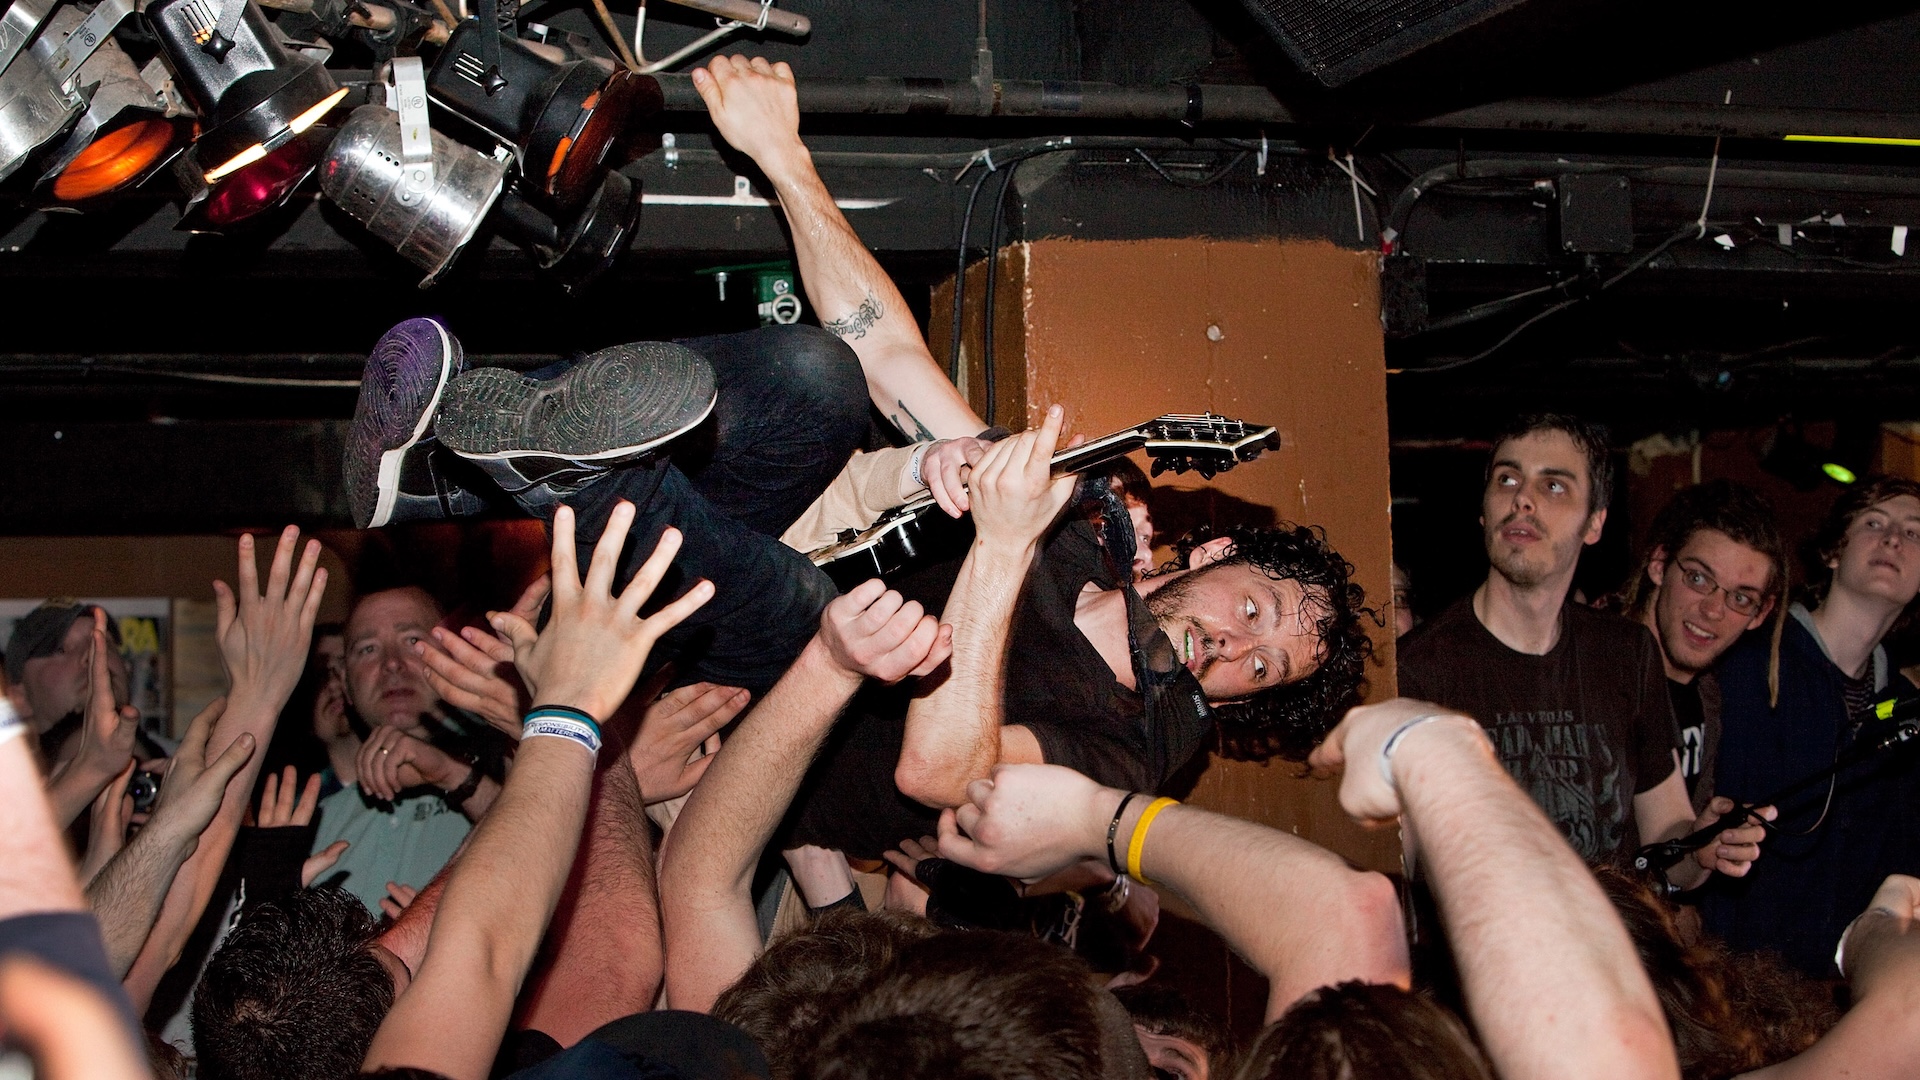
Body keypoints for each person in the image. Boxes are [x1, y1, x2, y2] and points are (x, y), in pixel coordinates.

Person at [1396, 414, 1764, 889]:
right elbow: (1397, 875)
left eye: (1554, 487)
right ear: (1485, 510)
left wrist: (1703, 843)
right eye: (1507, 479)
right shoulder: (1419, 669)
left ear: (1594, 523)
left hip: (1604, 953)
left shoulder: (1627, 652)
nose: (1522, 498)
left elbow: (1668, 842)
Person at [1703, 476, 1920, 976]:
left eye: (1913, 533)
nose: (1893, 539)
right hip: (1739, 983)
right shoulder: (1751, 665)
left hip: (1840, 993)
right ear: (1832, 552)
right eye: (1874, 523)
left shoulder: (1903, 708)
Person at [308, 586, 500, 913]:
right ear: (345, 682)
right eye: (368, 649)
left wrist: (453, 776)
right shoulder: (316, 821)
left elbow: (550, 848)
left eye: (412, 640)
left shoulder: (515, 757)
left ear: (455, 654)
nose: (392, 664)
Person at [1620, 480, 1785, 811]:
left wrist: (1705, 845)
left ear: (1760, 613)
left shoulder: (1710, 697)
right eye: (1698, 578)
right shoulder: (1591, 672)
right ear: (1659, 564)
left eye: (1740, 598)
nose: (1713, 610)